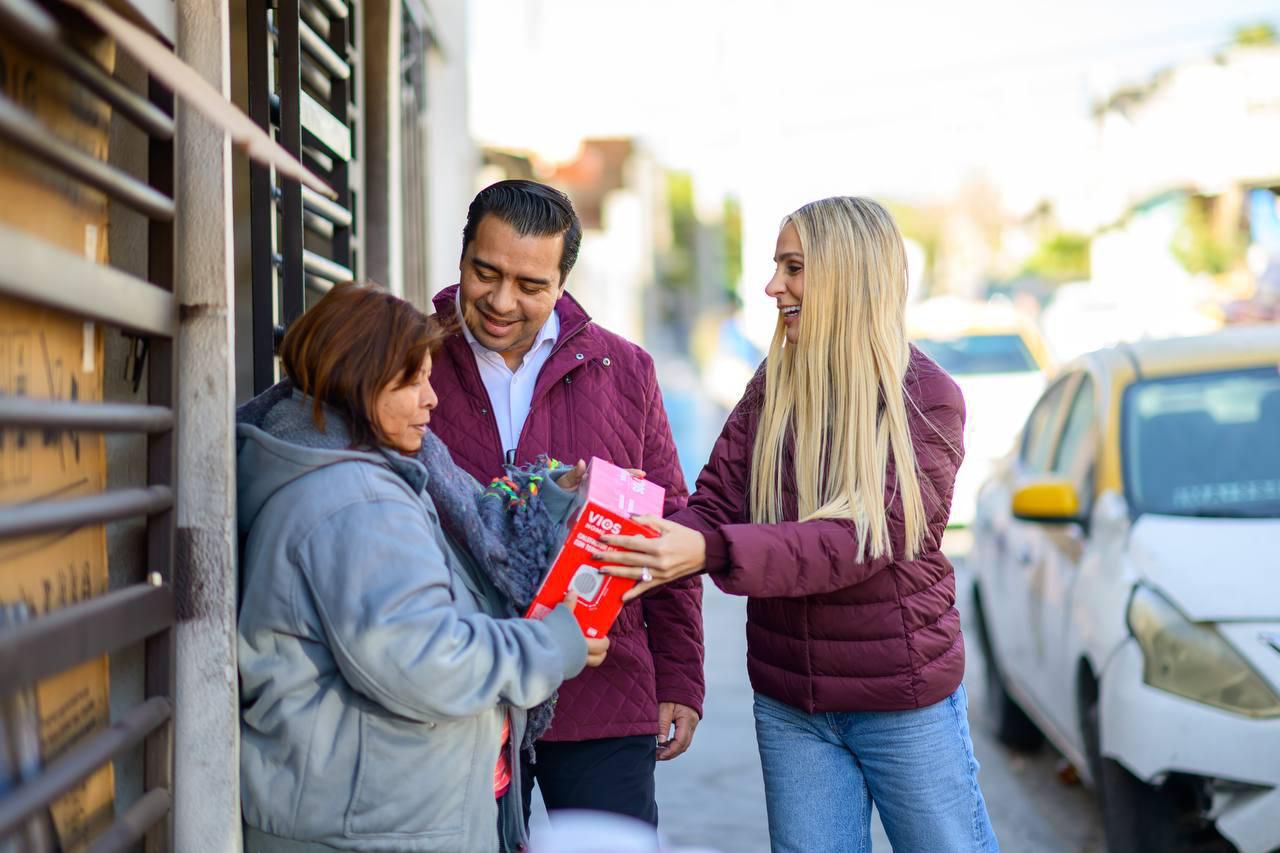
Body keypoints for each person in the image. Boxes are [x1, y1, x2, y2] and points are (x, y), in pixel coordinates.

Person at [596, 197, 999, 852]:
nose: (771, 285)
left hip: (902, 699)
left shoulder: (926, 396)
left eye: (793, 267)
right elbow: (717, 499)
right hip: (793, 704)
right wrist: (647, 536)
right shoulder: (773, 383)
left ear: (847, 276)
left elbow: (862, 539)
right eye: (776, 266)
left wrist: (708, 548)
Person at [236, 281, 608, 853]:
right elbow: (426, 658)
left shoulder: (357, 469)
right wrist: (555, 644)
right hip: (367, 828)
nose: (430, 399)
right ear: (357, 382)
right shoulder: (356, 500)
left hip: (370, 817)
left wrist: (551, 502)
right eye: (411, 381)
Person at [428, 180, 705, 828]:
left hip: (602, 690)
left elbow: (671, 525)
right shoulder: (415, 359)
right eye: (485, 272)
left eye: (529, 285)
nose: (500, 301)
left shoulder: (626, 370)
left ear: (564, 281)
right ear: (462, 254)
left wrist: (682, 676)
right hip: (465, 691)